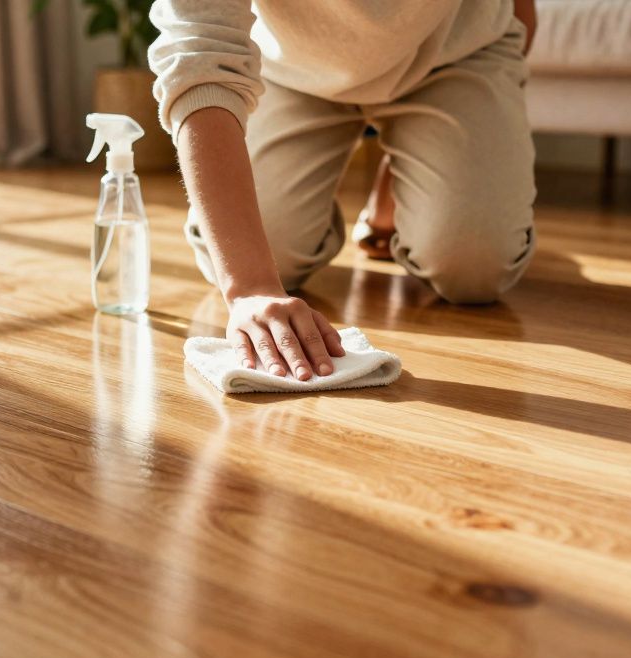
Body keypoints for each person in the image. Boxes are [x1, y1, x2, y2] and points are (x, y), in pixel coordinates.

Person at [149, 0, 538, 380]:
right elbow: (198, 51)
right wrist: (249, 287)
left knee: (473, 265)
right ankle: (412, 169)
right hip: (289, 69)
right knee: (268, 253)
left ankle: (401, 173)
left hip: (455, 53)